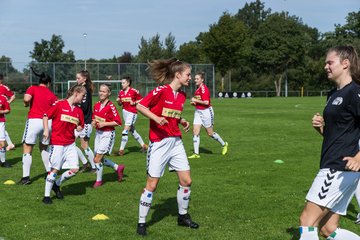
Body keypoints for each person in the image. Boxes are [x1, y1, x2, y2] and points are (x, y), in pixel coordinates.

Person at [299, 45, 360, 239]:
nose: (325, 66)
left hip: (338, 168)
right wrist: (321, 129)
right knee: (328, 229)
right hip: (336, 166)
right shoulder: (333, 94)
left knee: (307, 222)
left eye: (329, 62)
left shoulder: (354, 93)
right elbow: (339, 134)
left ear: (345, 63)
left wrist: (359, 157)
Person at [136, 58, 199, 236]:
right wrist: (155, 119)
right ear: (178, 75)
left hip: (176, 142)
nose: (190, 77)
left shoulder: (182, 96)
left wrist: (181, 120)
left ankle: (182, 216)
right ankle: (141, 223)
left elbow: (172, 114)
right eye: (188, 74)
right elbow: (140, 105)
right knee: (152, 184)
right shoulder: (161, 90)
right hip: (159, 143)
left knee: (186, 181)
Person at [42, 85, 85, 204]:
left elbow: (80, 126)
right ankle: (46, 197)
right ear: (76, 93)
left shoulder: (78, 111)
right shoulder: (59, 105)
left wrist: (80, 128)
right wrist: (46, 130)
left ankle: (56, 184)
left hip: (70, 144)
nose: (83, 99)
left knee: (75, 169)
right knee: (54, 169)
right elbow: (45, 116)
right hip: (58, 144)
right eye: (82, 95)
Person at [19, 68, 57, 185]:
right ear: (48, 83)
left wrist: (26, 103)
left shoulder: (33, 88)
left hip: (34, 121)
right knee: (44, 148)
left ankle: (26, 178)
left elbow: (26, 99)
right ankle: (49, 173)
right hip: (48, 122)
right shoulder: (52, 94)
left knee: (27, 147)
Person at [188, 71, 228, 159]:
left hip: (206, 112)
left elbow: (206, 102)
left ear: (202, 80)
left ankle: (224, 144)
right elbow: (199, 102)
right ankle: (196, 154)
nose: (195, 80)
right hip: (198, 112)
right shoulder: (198, 89)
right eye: (195, 79)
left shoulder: (204, 89)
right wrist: (194, 103)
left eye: (197, 79)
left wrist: (196, 100)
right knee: (195, 131)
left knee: (210, 133)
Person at [92, 84, 125, 188]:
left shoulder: (111, 106)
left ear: (109, 93)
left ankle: (99, 181)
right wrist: (93, 122)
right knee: (98, 159)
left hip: (108, 134)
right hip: (98, 134)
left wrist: (105, 124)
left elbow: (118, 122)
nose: (101, 93)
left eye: (104, 91)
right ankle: (117, 167)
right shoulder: (96, 105)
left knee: (97, 159)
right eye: (100, 91)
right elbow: (94, 118)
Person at [116, 76, 147, 156]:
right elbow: (120, 104)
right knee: (133, 131)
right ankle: (144, 146)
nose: (122, 84)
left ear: (128, 83)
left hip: (132, 113)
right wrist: (118, 101)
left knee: (125, 131)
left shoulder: (134, 91)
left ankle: (121, 150)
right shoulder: (121, 92)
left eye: (123, 83)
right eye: (121, 83)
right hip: (125, 112)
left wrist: (134, 102)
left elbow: (142, 99)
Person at [75, 70, 96, 173]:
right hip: (77, 122)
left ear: (84, 79)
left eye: (78, 78)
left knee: (84, 145)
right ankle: (84, 162)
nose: (76, 80)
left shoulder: (86, 90)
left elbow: (83, 106)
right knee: (70, 144)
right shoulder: (80, 89)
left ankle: (94, 166)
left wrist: (73, 105)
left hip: (85, 122)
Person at [0, 73, 16, 151]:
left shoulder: (4, 88)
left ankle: (9, 144)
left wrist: (7, 104)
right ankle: (10, 144)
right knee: (2, 129)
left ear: (1, 80)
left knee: (2, 128)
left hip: (1, 112)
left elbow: (13, 96)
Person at [0, 93, 11, 167]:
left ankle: (3, 162)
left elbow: (8, 110)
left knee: (2, 143)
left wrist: (1, 112)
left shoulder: (3, 98)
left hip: (0, 122)